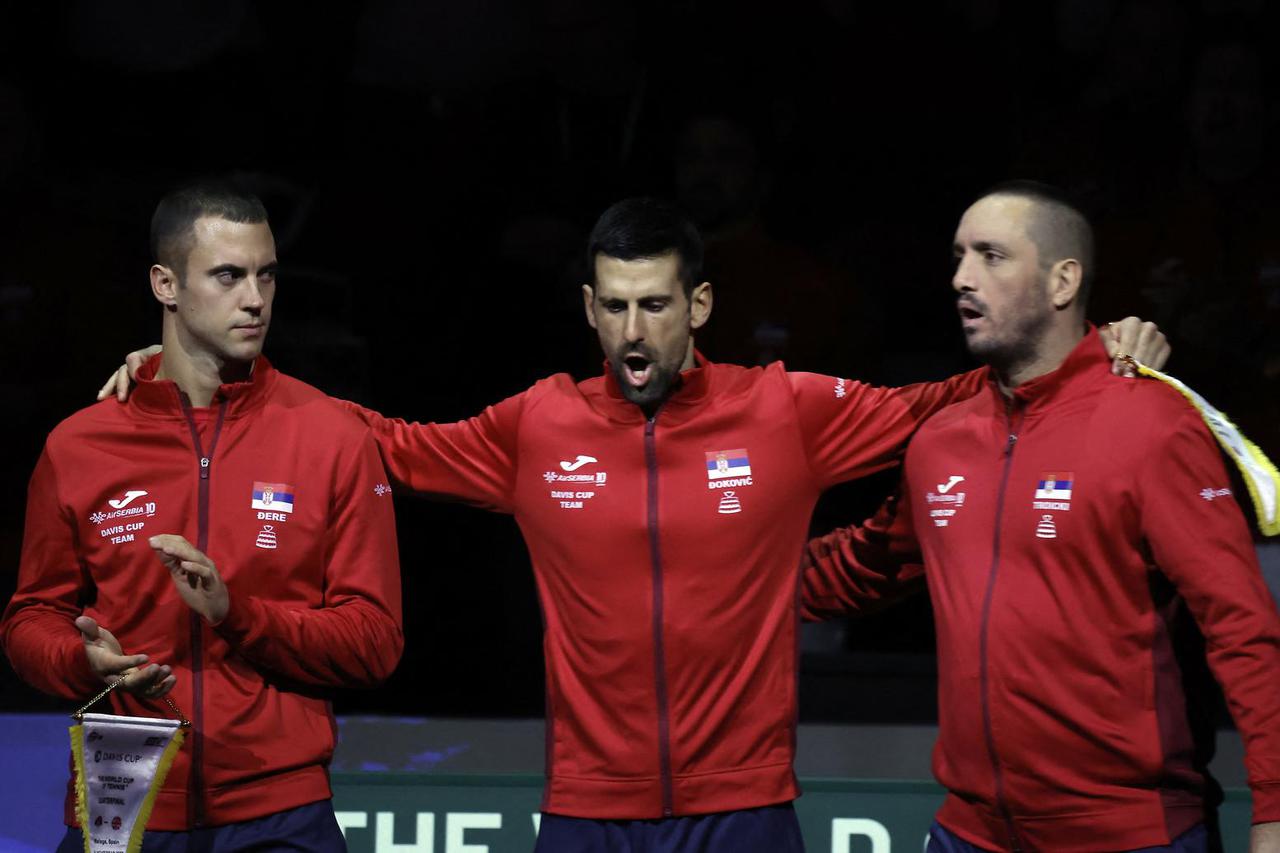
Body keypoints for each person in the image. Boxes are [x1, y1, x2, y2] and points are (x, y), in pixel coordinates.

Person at [102, 197, 1165, 853]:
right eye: (611, 305)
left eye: (654, 304)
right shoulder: (537, 424)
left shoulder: (785, 410)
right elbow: (380, 440)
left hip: (745, 808)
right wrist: (197, 372)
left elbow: (953, 401)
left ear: (697, 305)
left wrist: (1090, 351)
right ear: (586, 308)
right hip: (583, 811)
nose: (631, 329)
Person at [802, 181, 1280, 852]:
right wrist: (721, 578)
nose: (962, 278)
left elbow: (1244, 628)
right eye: (959, 256)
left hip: (1128, 834)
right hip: (970, 833)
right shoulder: (943, 439)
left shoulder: (1153, 425)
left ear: (1063, 281)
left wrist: (1274, 812)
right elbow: (865, 565)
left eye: (992, 256)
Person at [1, 182, 404, 851]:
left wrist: (235, 614)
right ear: (165, 283)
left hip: (278, 810)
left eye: (265, 275)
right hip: (118, 794)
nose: (255, 299)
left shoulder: (333, 436)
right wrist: (82, 659)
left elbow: (374, 640)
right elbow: (27, 618)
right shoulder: (80, 444)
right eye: (228, 276)